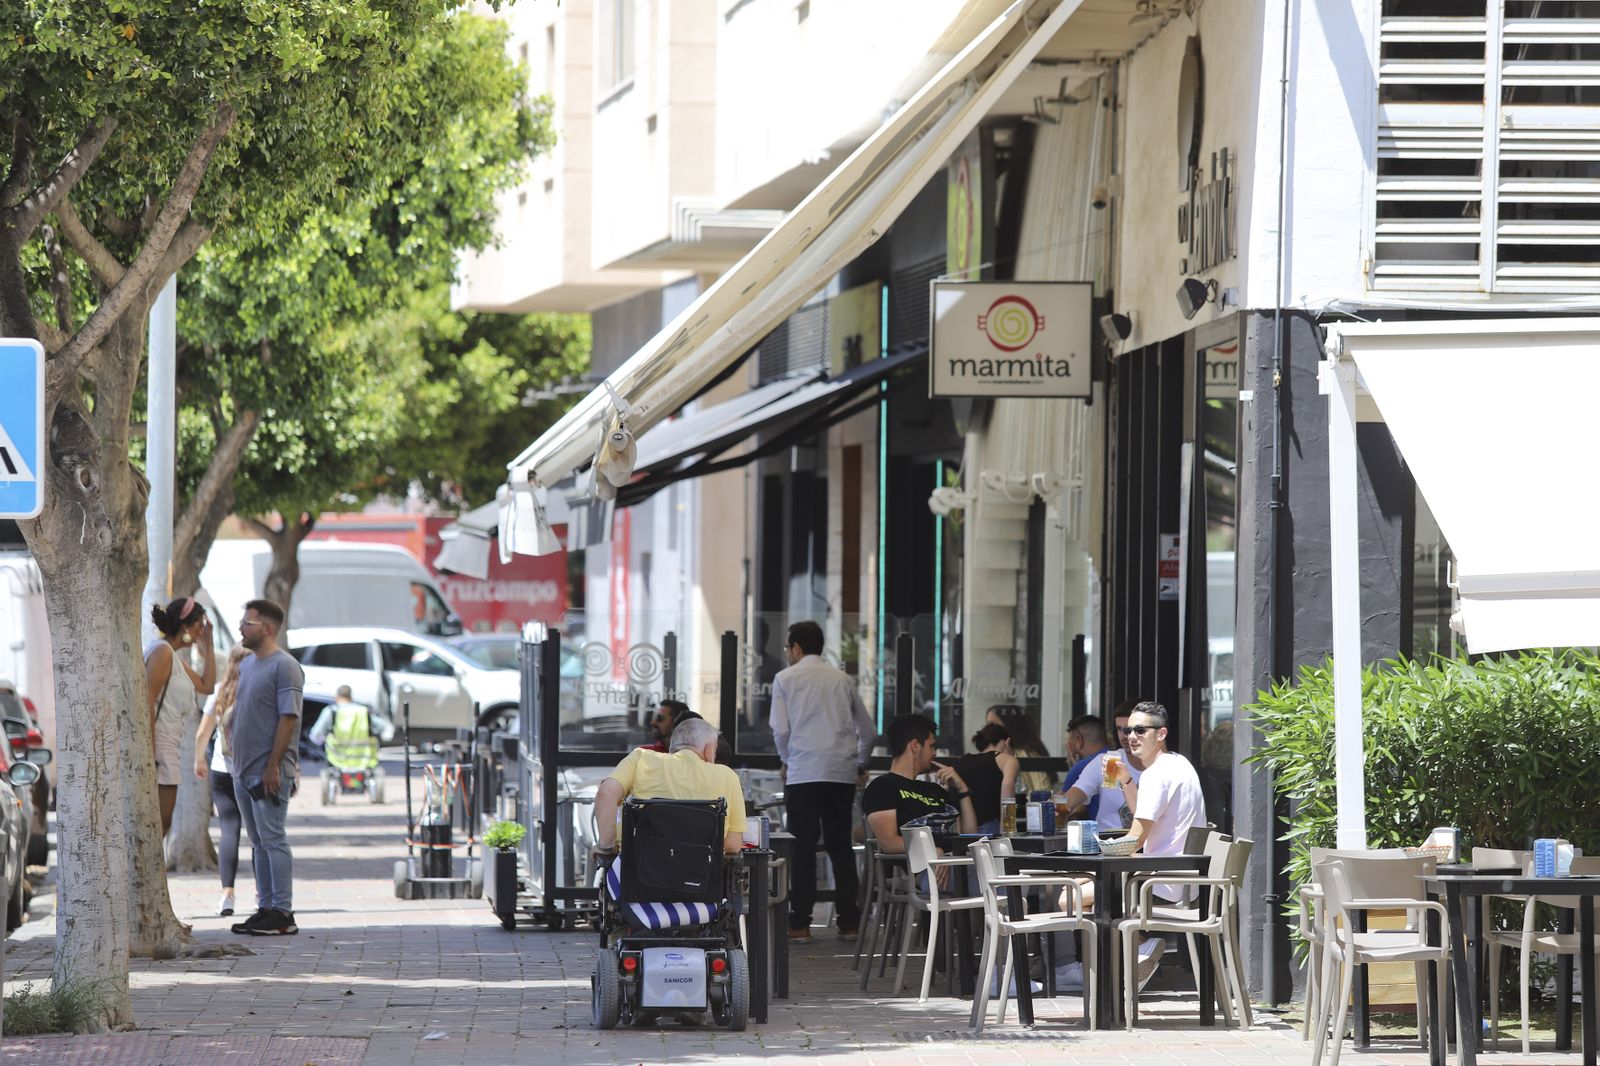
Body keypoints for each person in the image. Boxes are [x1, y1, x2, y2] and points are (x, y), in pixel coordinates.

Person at [1065, 701, 1206, 989]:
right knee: (1085, 890)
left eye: (1141, 730)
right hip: (1182, 879)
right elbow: (1143, 818)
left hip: (1159, 883)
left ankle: (1123, 961)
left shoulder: (1157, 773)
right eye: (1128, 730)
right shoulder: (1180, 764)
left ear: (1162, 733)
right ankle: (1127, 964)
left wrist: (1101, 852)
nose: (1131, 737)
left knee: (1068, 896)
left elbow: (1136, 838)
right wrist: (1125, 779)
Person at [770, 620, 875, 945]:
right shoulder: (842, 679)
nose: (788, 653)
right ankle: (849, 923)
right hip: (840, 774)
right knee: (840, 847)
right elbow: (868, 732)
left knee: (801, 849)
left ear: (797, 648)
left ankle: (800, 924)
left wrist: (789, 760)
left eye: (789, 648)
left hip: (803, 773)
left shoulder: (785, 679)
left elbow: (780, 730)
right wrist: (858, 763)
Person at [228, 599, 305, 937]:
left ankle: (283, 912)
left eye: (247, 623)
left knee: (273, 840)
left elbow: (288, 718)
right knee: (258, 842)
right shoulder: (247, 665)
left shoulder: (284, 666)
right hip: (242, 771)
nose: (241, 628)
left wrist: (274, 766)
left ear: (268, 629)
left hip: (268, 772)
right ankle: (266, 907)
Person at [594, 717, 746, 855]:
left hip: (637, 876)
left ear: (673, 746)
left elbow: (606, 794)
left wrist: (607, 848)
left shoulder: (641, 758)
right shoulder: (728, 776)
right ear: (709, 750)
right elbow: (732, 845)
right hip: (699, 880)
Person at [861, 714, 979, 860]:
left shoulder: (936, 790)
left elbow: (969, 837)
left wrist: (962, 790)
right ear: (915, 746)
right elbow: (889, 843)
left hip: (954, 863)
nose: (934, 753)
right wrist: (933, 851)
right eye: (932, 746)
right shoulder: (882, 787)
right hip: (919, 867)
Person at [145, 596, 217, 835]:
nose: (200, 633)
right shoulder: (162, 652)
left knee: (161, 823)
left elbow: (207, 685)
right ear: (186, 626)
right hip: (159, 746)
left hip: (167, 746)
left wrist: (210, 644)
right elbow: (146, 700)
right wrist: (149, 754)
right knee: (159, 823)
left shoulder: (170, 654)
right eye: (199, 626)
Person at [195, 645, 249, 916]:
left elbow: (203, 733)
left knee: (229, 829)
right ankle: (266, 894)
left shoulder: (219, 691)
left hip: (221, 768)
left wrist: (199, 760)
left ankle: (227, 894)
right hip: (250, 770)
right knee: (259, 833)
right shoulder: (254, 691)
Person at [954, 722, 1018, 836]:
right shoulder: (1007, 759)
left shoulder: (963, 760)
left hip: (965, 830)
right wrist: (1007, 833)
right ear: (1007, 742)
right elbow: (1008, 786)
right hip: (992, 827)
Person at [986, 705, 1055, 793]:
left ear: (1010, 727)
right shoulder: (1028, 754)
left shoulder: (1022, 755)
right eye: (987, 725)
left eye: (993, 726)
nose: (987, 731)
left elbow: (1040, 792)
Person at [1059, 716, 1112, 823]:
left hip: (1095, 833)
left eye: (1070, 743)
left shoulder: (1083, 766)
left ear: (1079, 740)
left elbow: (1061, 804)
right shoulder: (1113, 760)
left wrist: (1074, 767)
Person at [307, 685, 396, 748]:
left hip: (337, 758)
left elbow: (315, 735)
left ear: (337, 697)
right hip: (363, 759)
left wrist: (323, 742)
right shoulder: (363, 711)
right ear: (350, 697)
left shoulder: (330, 712)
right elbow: (383, 726)